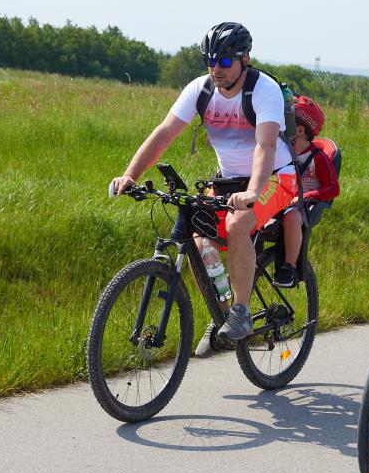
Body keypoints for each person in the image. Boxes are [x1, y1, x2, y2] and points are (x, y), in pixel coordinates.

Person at [109, 22, 298, 355]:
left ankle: (240, 313)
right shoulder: (201, 90)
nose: (216, 68)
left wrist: (253, 192)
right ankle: (220, 312)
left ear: (245, 59)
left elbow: (265, 145)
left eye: (224, 61)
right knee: (199, 236)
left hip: (274, 177)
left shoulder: (262, 89)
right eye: (210, 61)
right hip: (228, 181)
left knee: (239, 223)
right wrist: (130, 175)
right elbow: (164, 134)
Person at [272, 95, 340, 288]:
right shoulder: (282, 152)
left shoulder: (318, 158)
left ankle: (289, 267)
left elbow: (333, 188)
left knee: (292, 216)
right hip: (278, 200)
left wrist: (306, 197)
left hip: (303, 206)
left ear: (300, 130)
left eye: (286, 124)